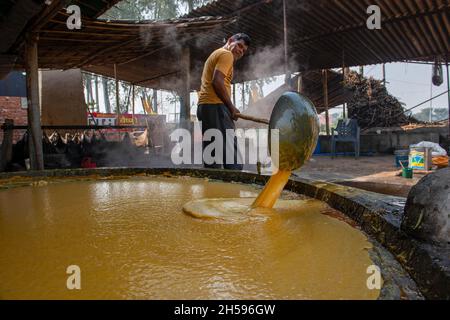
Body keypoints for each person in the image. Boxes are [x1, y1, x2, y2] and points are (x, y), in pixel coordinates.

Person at [197, 33, 251, 170]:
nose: (240, 51)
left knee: (212, 156)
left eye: (244, 50)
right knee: (232, 158)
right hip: (216, 106)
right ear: (230, 40)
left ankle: (212, 190)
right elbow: (217, 82)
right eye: (239, 45)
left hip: (205, 107)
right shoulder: (226, 55)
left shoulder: (216, 54)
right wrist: (231, 107)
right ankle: (233, 188)